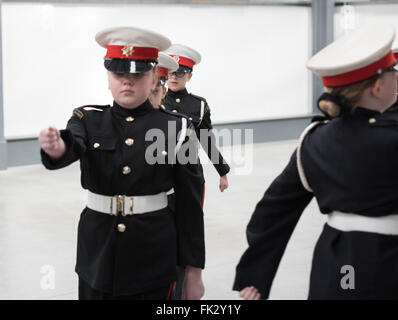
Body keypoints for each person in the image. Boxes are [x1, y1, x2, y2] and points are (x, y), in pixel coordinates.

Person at [38, 26, 205, 300]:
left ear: (154, 79)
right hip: (97, 254)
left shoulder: (179, 129)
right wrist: (57, 148)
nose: (127, 82)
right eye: (119, 74)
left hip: (153, 254)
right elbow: (73, 145)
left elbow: (190, 206)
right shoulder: (87, 119)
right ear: (108, 78)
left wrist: (193, 272)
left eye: (138, 75)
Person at [233, 23, 398, 300]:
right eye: (393, 71)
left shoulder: (314, 141)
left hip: (338, 260)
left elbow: (273, 210)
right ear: (379, 86)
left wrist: (255, 276)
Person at [162, 44, 230, 299]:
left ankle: (189, 274)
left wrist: (222, 172)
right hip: (161, 174)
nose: (175, 76)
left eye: (181, 72)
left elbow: (207, 139)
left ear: (189, 75)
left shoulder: (198, 105)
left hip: (190, 176)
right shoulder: (155, 98)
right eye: (172, 72)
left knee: (190, 225)